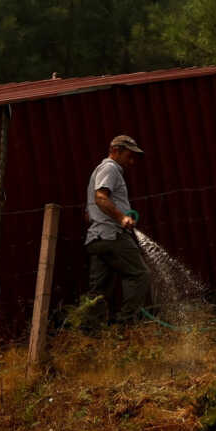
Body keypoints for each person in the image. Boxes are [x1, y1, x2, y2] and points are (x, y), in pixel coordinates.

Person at [85, 134, 149, 320]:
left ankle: (89, 330)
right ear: (115, 151)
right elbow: (100, 198)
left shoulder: (99, 171)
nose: (132, 161)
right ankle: (127, 322)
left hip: (97, 238)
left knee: (99, 291)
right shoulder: (110, 168)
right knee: (140, 275)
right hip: (111, 235)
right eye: (129, 156)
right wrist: (122, 218)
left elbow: (88, 213)